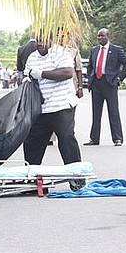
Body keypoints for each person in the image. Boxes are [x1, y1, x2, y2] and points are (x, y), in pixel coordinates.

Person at [23, 36, 81, 165]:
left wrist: (42, 74)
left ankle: (76, 176)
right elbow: (27, 74)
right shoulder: (32, 57)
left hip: (62, 105)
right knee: (32, 142)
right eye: (38, 41)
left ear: (50, 40)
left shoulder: (60, 53)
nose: (40, 44)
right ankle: (33, 175)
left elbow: (67, 73)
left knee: (66, 139)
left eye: (43, 40)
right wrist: (26, 80)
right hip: (41, 108)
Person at [84, 28, 126, 147]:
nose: (100, 38)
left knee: (113, 112)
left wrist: (119, 77)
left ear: (108, 36)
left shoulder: (116, 50)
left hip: (110, 83)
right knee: (96, 113)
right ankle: (94, 139)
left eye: (102, 36)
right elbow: (90, 66)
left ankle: (117, 138)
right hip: (96, 83)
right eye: (98, 36)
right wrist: (91, 78)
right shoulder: (94, 50)